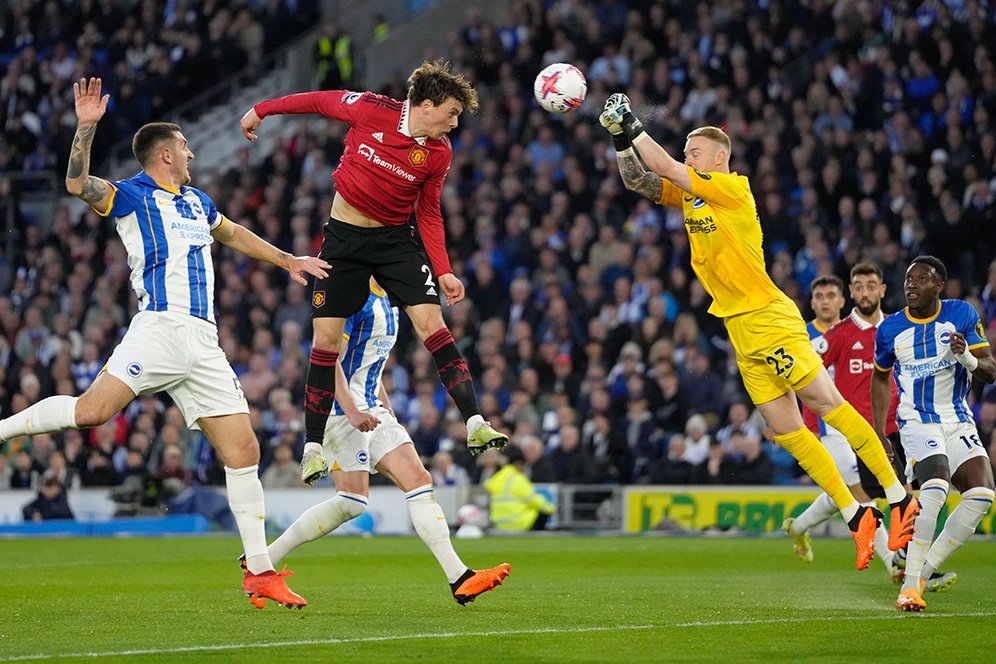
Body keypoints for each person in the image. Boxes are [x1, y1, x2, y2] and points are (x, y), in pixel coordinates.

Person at [0, 78, 329, 609]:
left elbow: (235, 233)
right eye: (186, 146)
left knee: (244, 449)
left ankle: (260, 570)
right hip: (158, 328)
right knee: (90, 414)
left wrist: (288, 260)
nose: (194, 153)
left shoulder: (198, 201)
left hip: (204, 339)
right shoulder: (132, 195)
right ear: (167, 153)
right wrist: (84, 131)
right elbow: (78, 185)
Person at [599, 95, 918, 570]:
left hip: (768, 316)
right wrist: (620, 137)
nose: (686, 156)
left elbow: (662, 161)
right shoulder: (691, 193)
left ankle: (898, 499)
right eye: (686, 150)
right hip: (739, 328)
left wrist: (631, 119)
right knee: (790, 432)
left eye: (694, 150)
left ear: (718, 158)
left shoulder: (731, 188)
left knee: (827, 405)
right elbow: (641, 180)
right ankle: (855, 517)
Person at [239, 60, 508, 479]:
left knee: (432, 325)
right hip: (344, 242)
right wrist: (262, 109)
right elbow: (315, 100)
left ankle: (475, 421)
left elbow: (430, 211)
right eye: (452, 113)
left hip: (394, 243)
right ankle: (312, 446)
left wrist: (443, 271)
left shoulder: (438, 153)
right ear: (426, 104)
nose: (455, 124)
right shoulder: (369, 109)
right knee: (326, 341)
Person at [255, 279, 510, 607]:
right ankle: (262, 562)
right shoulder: (353, 296)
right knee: (351, 502)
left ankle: (459, 577)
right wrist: (351, 410)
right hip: (339, 409)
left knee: (419, 480)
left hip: (374, 406)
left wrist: (385, 407)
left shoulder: (392, 300)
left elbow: (369, 366)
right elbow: (326, 358)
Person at [785, 265, 942, 581]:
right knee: (863, 494)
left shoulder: (895, 328)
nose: (826, 302)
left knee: (856, 493)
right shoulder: (819, 336)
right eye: (819, 296)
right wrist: (786, 420)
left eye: (832, 295)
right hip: (838, 431)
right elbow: (798, 378)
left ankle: (798, 526)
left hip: (892, 429)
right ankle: (897, 566)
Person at [872, 255, 996, 612]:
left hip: (957, 418)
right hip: (916, 418)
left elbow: (989, 370)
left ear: (938, 286)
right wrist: (882, 431)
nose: (911, 285)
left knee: (982, 495)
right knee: (937, 487)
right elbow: (880, 377)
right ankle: (909, 587)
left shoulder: (962, 314)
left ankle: (922, 572)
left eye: (921, 280)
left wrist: (967, 359)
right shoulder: (891, 329)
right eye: (908, 280)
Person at [484, 445, 556, 531]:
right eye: (522, 465)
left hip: (500, 524)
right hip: (518, 522)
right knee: (543, 511)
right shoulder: (517, 479)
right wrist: (551, 508)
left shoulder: (499, 477)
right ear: (518, 464)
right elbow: (533, 499)